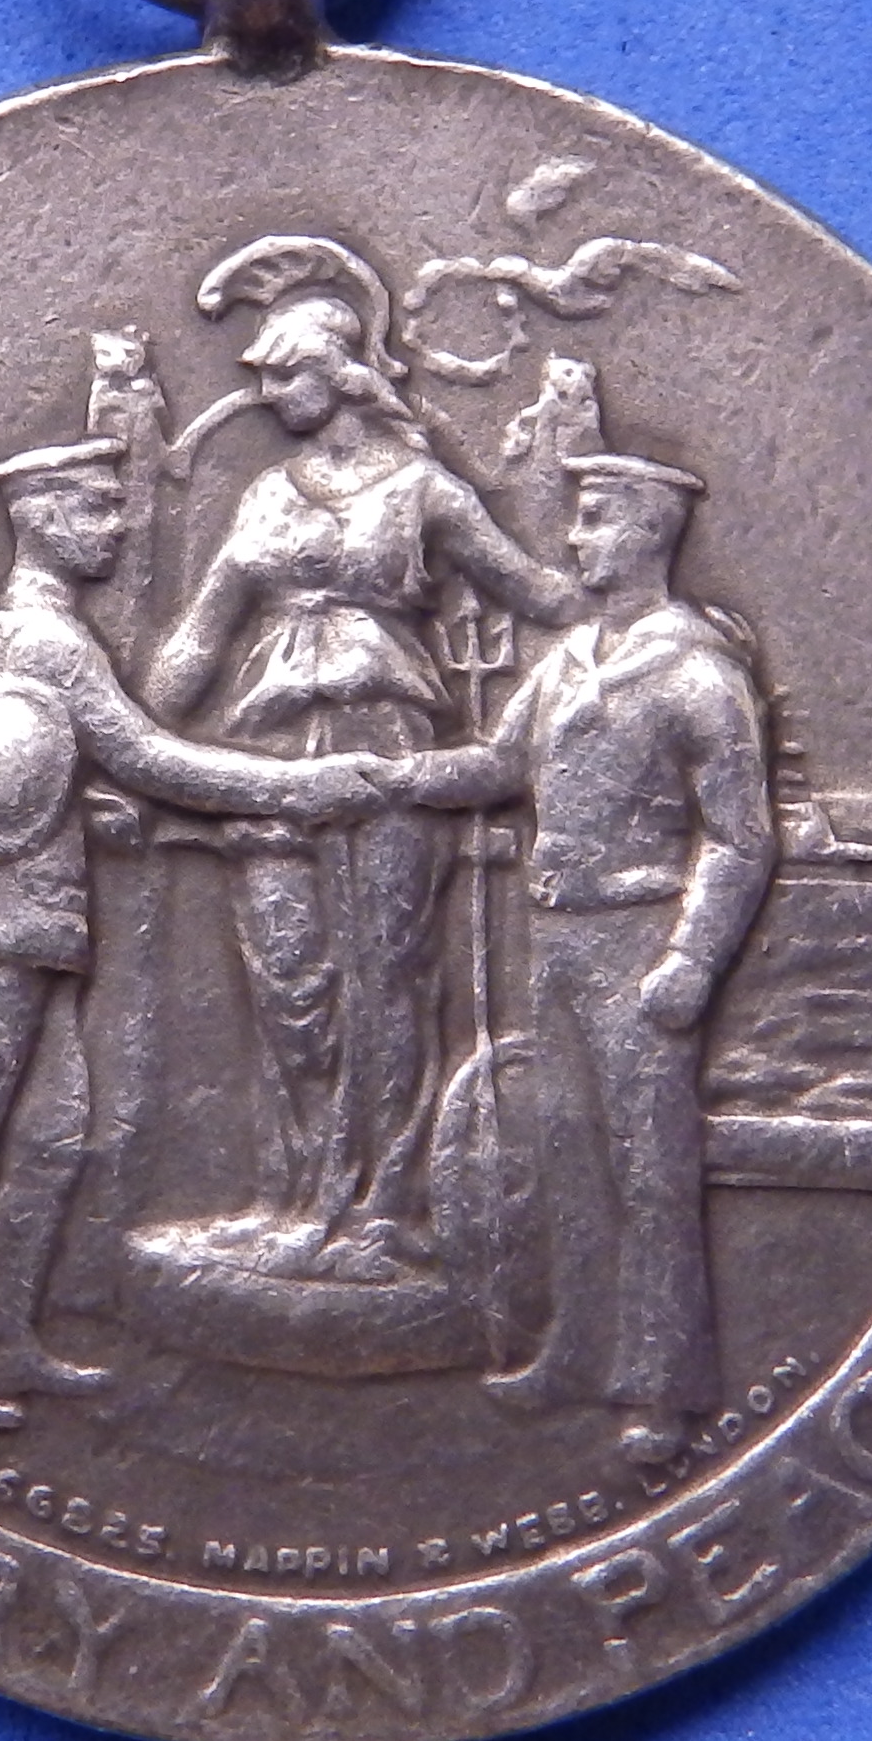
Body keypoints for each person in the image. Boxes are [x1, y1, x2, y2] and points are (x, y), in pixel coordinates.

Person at [0, 437, 388, 1429]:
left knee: (52, 1138)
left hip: (34, 926)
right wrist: (296, 784)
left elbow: (35, 772)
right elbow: (149, 760)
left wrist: (104, 807)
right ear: (43, 516)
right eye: (96, 508)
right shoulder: (41, 642)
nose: (115, 526)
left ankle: (5, 1340)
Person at [144, 287, 578, 1270]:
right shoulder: (266, 495)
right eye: (261, 375)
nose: (267, 390)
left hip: (388, 748)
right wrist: (127, 734)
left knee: (389, 974)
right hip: (268, 752)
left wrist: (636, 608)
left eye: (283, 371)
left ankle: (385, 1206)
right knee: (287, 978)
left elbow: (535, 591)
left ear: (339, 372)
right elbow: (201, 634)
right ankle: (295, 1195)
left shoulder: (425, 489)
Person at [387, 453, 775, 1469]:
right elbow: (497, 767)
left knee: (649, 1167)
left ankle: (660, 1386)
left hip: (638, 938)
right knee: (564, 1149)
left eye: (596, 518)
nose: (574, 537)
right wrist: (392, 775)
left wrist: (692, 958)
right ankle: (573, 1351)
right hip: (555, 937)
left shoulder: (698, 675)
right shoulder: (563, 662)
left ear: (647, 531)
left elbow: (739, 839)